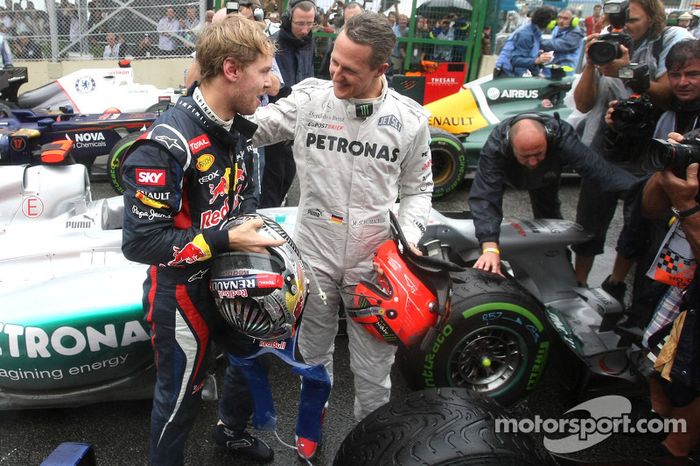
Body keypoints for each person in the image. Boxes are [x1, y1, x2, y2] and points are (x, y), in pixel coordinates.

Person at [251, 11, 433, 458]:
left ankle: (367, 450)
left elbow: (418, 190)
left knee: (374, 371)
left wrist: (406, 240)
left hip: (374, 259)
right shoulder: (311, 98)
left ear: (380, 69)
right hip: (313, 248)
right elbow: (254, 129)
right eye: (334, 61)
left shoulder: (410, 119)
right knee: (312, 355)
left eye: (350, 69)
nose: (336, 73)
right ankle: (310, 439)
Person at [120, 15, 281, 465]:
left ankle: (231, 432)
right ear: (231, 69)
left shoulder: (237, 128)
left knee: (252, 359)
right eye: (264, 72)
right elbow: (141, 243)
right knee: (181, 395)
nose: (270, 85)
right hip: (181, 293)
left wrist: (244, 238)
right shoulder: (164, 143)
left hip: (231, 275)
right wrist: (226, 237)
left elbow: (245, 196)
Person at [570, 0, 693, 293]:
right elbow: (583, 103)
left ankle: (616, 282)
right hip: (606, 139)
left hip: (649, 143)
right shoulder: (604, 40)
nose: (624, 27)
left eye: (633, 20)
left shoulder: (672, 39)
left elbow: (672, 95)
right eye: (620, 19)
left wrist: (628, 72)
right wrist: (591, 63)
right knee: (590, 217)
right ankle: (578, 283)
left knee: (639, 220)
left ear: (653, 17)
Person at [468, 113, 637, 276]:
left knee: (550, 217)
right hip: (510, 174)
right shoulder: (496, 146)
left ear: (549, 138)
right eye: (526, 156)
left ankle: (562, 268)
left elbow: (600, 171)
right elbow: (485, 197)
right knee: (486, 220)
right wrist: (490, 247)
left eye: (538, 153)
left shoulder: (561, 135)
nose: (533, 161)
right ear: (510, 145)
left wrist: (640, 193)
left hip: (546, 176)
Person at [623, 131, 700, 456]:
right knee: (657, 344)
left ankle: (676, 445)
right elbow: (651, 209)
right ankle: (660, 414)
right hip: (682, 272)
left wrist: (685, 206)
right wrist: (666, 168)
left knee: (691, 381)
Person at [259, 0, 316, 208]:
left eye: (309, 24)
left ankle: (276, 208)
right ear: (288, 20)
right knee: (274, 174)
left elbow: (308, 73)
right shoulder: (274, 43)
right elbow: (273, 86)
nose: (305, 29)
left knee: (289, 171)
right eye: (300, 23)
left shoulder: (310, 41)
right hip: (279, 114)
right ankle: (267, 213)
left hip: (302, 114)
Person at [493, 6, 557, 77]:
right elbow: (515, 60)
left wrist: (537, 73)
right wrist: (538, 60)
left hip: (515, 73)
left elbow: (529, 57)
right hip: (505, 72)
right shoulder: (526, 34)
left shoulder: (536, 34)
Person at [541, 8, 585, 76]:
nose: (561, 21)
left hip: (566, 67)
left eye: (565, 18)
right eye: (560, 17)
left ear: (573, 20)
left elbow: (558, 45)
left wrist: (538, 41)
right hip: (553, 64)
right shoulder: (557, 28)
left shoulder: (576, 33)